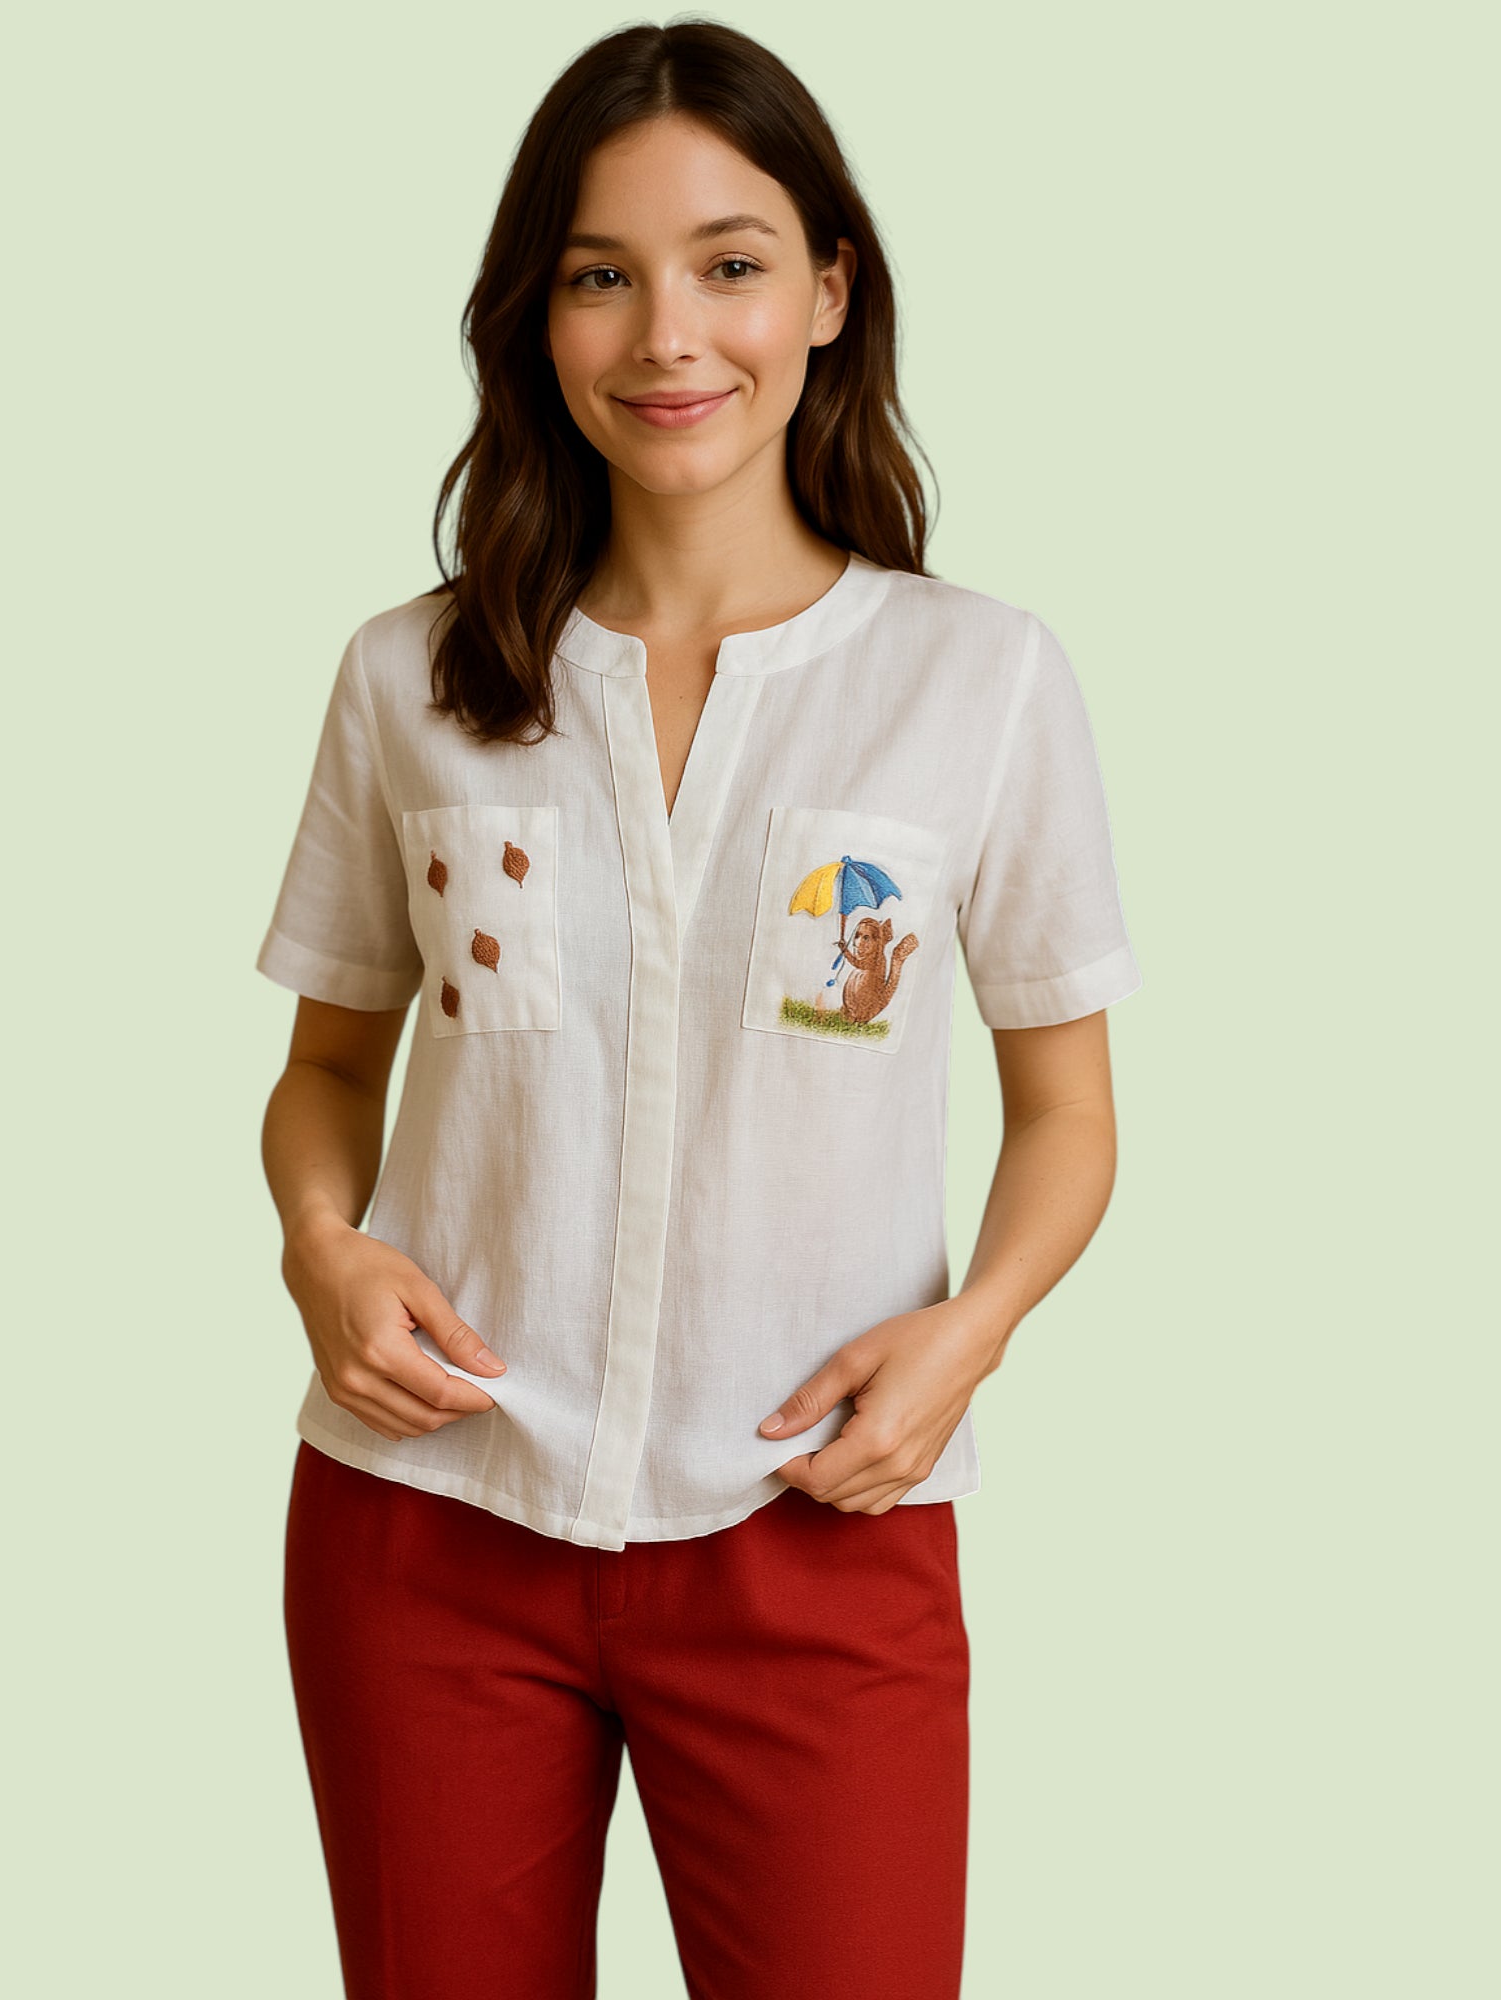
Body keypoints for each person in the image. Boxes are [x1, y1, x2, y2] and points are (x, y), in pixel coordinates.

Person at [256, 19, 1142, 2000]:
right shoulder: (406, 678)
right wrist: (320, 1246)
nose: (670, 333)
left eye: (729, 263)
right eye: (600, 273)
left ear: (829, 291)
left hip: (817, 1520)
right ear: (534, 317)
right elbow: (326, 1066)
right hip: (428, 1524)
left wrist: (968, 1336)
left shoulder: (973, 682)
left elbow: (1067, 1115)